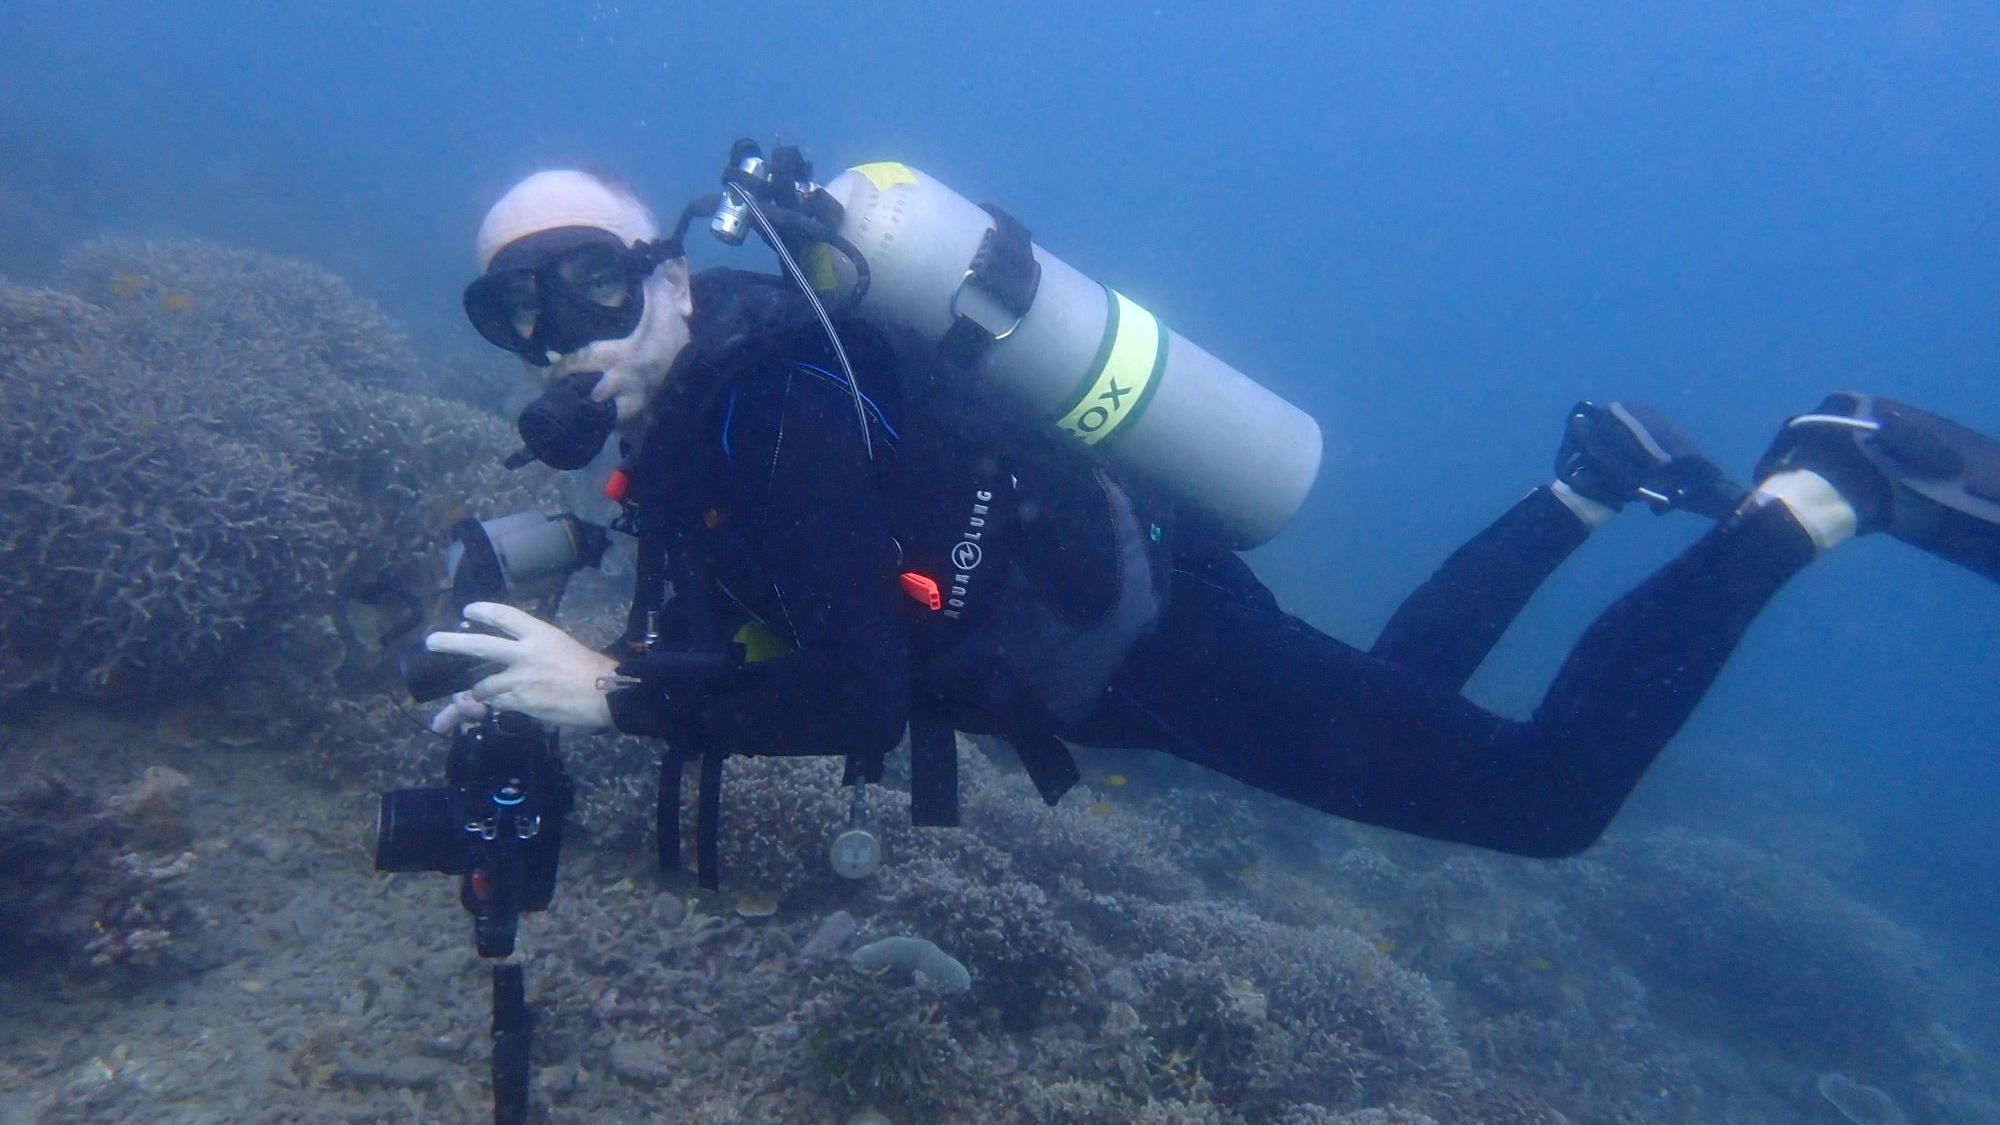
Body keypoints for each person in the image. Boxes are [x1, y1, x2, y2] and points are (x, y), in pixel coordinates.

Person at [428, 168, 2000, 880]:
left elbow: (854, 685)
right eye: (521, 311)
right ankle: (1590, 477)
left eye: (594, 282)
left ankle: (1822, 489)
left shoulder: (772, 407)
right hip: (1131, 604)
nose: (564, 330)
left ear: (670, 269)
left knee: (1544, 798)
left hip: (1144, 644)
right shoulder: (717, 405)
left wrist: (616, 694)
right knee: (1401, 702)